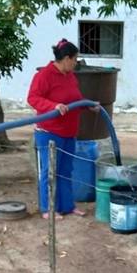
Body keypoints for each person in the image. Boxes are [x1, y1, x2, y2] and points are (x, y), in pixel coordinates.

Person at [27, 39, 93, 219]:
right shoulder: (44, 75)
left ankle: (67, 206)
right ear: (66, 58)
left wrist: (88, 105)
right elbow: (33, 98)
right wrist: (53, 106)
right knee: (49, 171)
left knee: (66, 170)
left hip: (69, 133)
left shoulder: (70, 76)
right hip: (48, 132)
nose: (76, 63)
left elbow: (76, 98)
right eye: (75, 59)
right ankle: (47, 209)